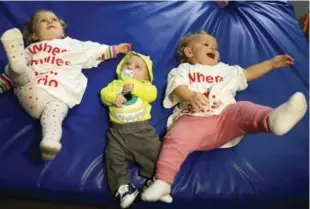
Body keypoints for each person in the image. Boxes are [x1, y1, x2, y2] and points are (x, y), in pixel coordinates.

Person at [141, 30, 307, 201]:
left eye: (215, 47)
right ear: (189, 52)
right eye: (206, 45)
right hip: (193, 120)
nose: (213, 48)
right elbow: (178, 87)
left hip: (225, 119)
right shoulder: (183, 70)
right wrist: (191, 96)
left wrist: (271, 64)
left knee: (243, 109)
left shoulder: (225, 70)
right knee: (176, 137)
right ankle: (163, 181)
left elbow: (248, 74)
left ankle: (272, 120)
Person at [0, 9, 131, 160]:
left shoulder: (72, 46)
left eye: (54, 19)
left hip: (59, 96)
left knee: (54, 116)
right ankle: (17, 64)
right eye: (43, 21)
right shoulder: (31, 50)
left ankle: (50, 142)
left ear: (63, 32)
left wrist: (115, 49)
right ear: (35, 35)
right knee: (22, 74)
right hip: (32, 93)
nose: (49, 22)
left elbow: (94, 50)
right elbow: (9, 79)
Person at [100, 51, 172, 208]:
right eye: (128, 64)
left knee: (157, 156)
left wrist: (135, 88)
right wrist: (114, 97)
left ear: (146, 76)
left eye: (138, 67)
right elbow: (104, 94)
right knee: (113, 158)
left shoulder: (145, 86)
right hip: (117, 132)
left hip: (142, 131)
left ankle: (154, 183)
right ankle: (123, 188)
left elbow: (152, 95)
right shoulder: (115, 85)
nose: (131, 67)